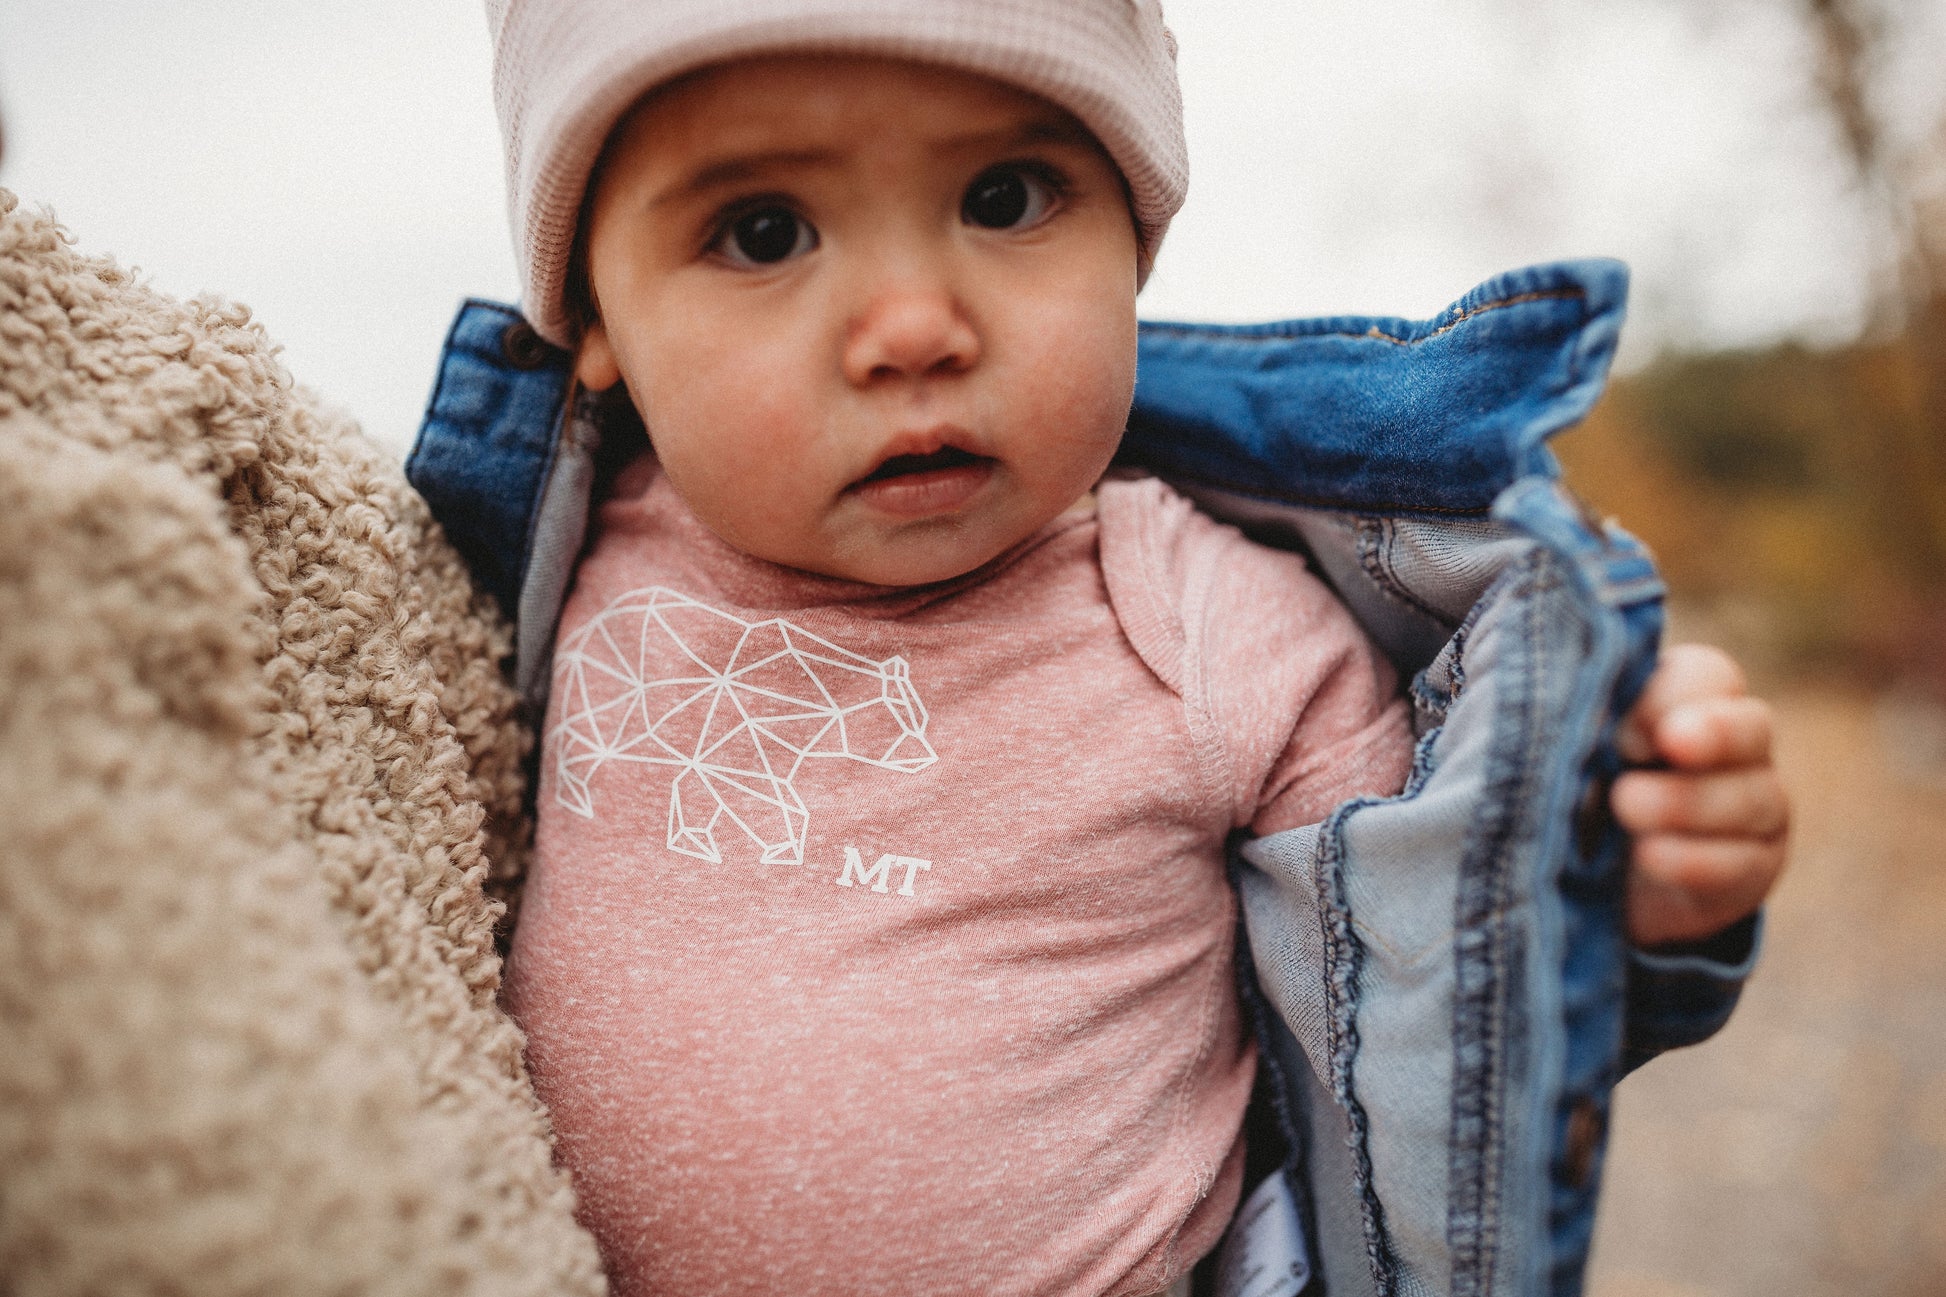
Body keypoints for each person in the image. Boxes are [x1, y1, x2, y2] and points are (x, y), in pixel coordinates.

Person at [426, 4, 1790, 1295]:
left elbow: (1443, 974)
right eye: (764, 231)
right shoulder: (538, 562)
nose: (914, 327)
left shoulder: (1215, 629)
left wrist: (1622, 885)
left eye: (1004, 198)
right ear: (593, 318)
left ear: (1133, 240)